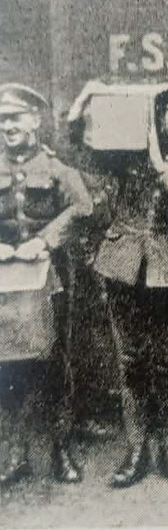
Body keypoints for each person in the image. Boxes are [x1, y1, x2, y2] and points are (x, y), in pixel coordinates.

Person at [87, 85, 168, 488]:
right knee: (131, 359)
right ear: (160, 117)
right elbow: (87, 154)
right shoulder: (130, 155)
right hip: (123, 265)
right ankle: (136, 449)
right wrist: (83, 108)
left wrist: (165, 170)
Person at [0, 84, 92, 488]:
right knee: (6, 368)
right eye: (2, 120)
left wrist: (46, 239)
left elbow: (83, 206)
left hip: (50, 277)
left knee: (55, 364)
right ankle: (13, 453)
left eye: (16, 118)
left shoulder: (55, 168)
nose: (8, 127)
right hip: (4, 281)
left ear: (34, 121)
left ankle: (61, 451)